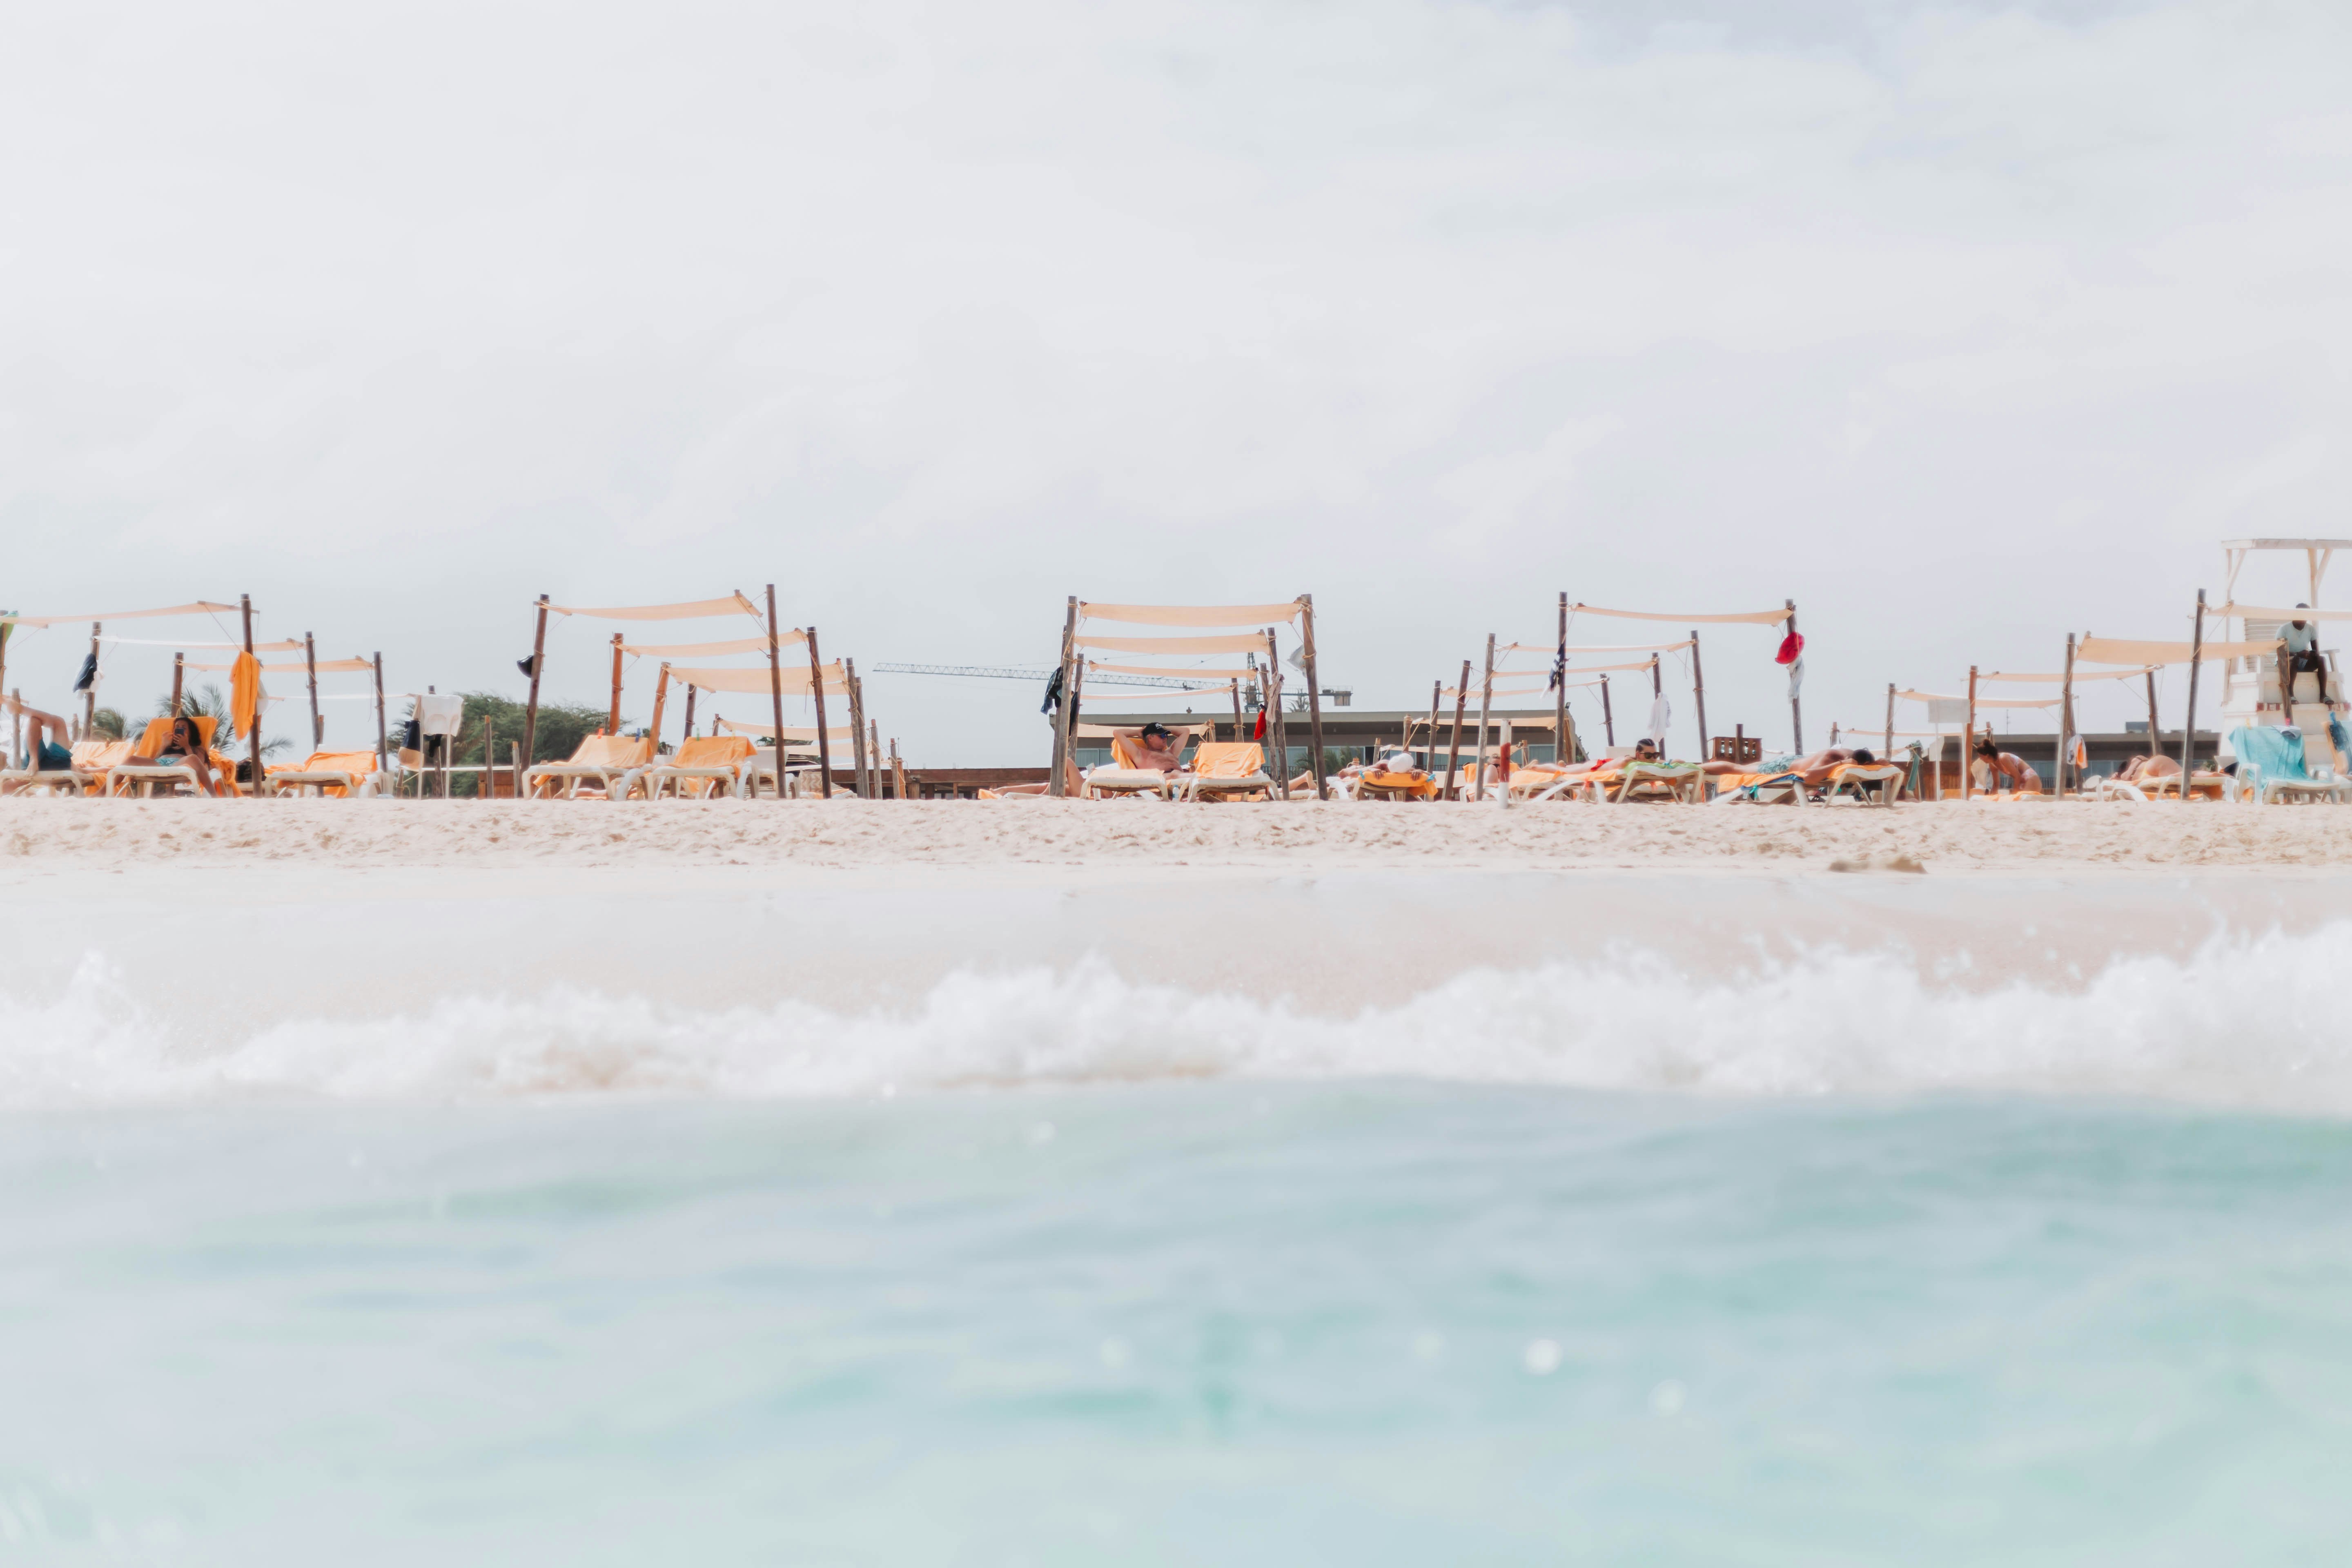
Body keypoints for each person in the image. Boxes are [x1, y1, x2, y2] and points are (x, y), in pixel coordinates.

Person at [127, 713, 224, 795]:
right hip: (159, 765)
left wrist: (187, 746)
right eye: (177, 727)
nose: (179, 729)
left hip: (177, 765)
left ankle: (214, 796)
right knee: (131, 759)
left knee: (193, 758)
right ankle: (116, 788)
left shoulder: (197, 748)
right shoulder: (168, 746)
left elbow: (199, 764)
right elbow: (156, 759)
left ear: (191, 733)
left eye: (184, 728)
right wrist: (163, 746)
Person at [2283, 605, 2328, 709]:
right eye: (2302, 614)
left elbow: (2316, 651)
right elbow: (2281, 653)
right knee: (2295, 659)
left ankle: (2323, 695)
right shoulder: (2284, 629)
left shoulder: (2311, 629)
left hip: (2303, 661)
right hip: (2286, 662)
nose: (2304, 617)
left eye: (2307, 615)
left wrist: (2313, 654)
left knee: (2321, 659)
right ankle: (2290, 694)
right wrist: (2298, 654)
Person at [1111, 722, 1192, 774]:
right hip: (1163, 782)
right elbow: (1117, 733)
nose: (1165, 738)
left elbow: (1186, 731)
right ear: (1150, 737)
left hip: (1181, 783)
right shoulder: (1140, 754)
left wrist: (1164, 728)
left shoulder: (1171, 752)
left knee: (1187, 775)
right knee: (1175, 774)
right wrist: (1138, 732)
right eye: (1162, 735)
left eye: (1166, 735)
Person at [1971, 735, 2041, 793]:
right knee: (2019, 801)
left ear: (1987, 755)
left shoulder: (2003, 758)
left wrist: (2015, 792)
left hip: (2030, 777)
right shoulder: (1992, 765)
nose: (1981, 759)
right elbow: (1996, 784)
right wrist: (1993, 797)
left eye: (1981, 756)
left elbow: (2017, 776)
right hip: (2022, 781)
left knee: (2020, 800)